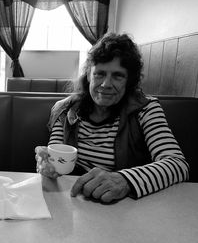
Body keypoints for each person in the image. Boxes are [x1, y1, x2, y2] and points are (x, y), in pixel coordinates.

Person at [35, 33, 189, 203]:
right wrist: (46, 164)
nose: (106, 84)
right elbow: (55, 153)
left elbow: (177, 165)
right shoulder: (66, 109)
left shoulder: (146, 109)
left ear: (129, 80)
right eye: (99, 74)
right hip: (73, 200)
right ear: (88, 75)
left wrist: (124, 180)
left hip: (123, 207)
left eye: (117, 75)